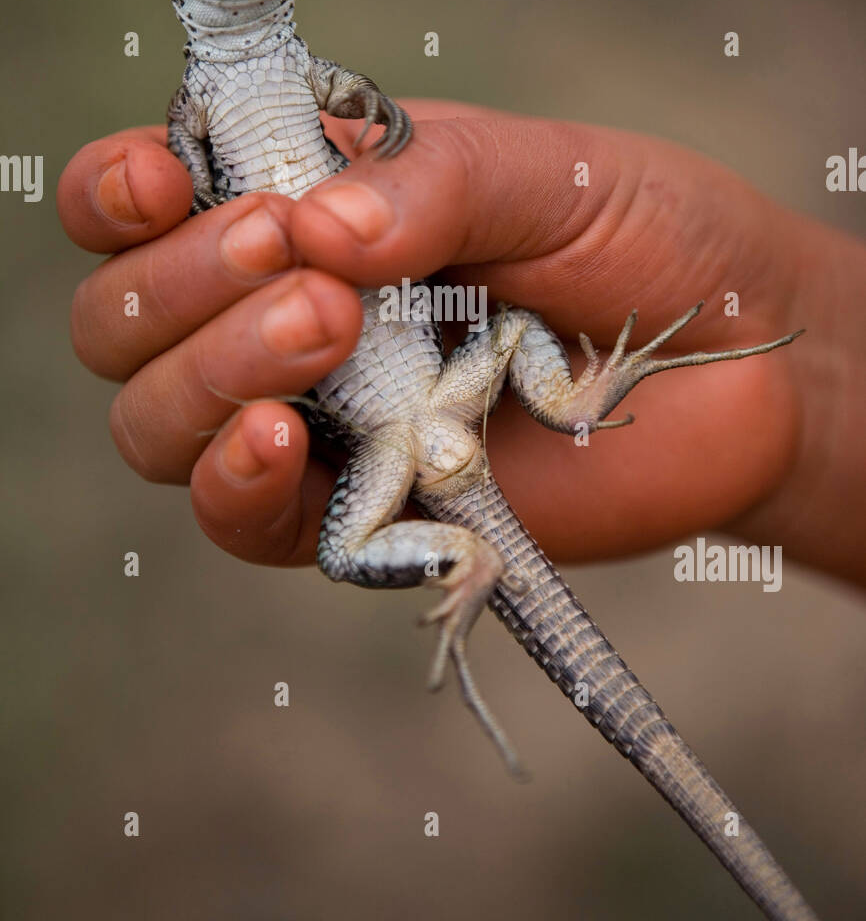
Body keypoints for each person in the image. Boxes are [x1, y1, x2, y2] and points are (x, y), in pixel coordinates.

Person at [57, 100, 866, 587]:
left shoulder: (279, 89)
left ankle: (559, 411)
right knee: (344, 548)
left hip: (430, 410)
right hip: (394, 441)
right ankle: (468, 557)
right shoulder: (203, 104)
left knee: (508, 327)